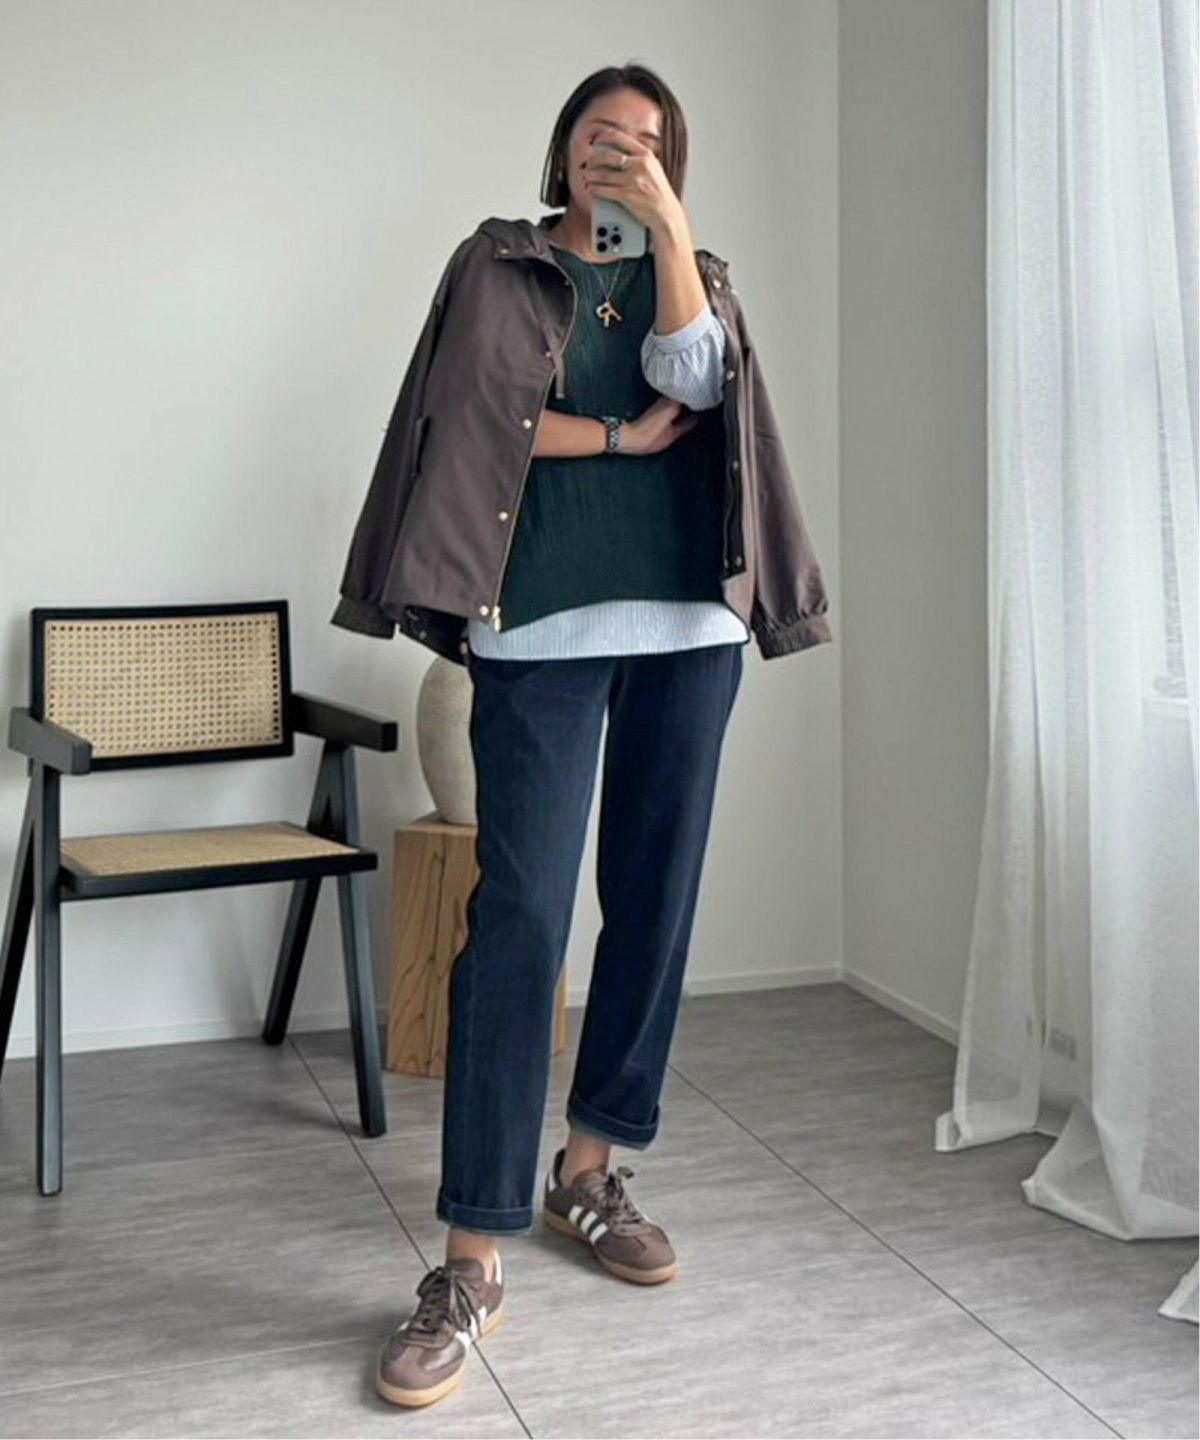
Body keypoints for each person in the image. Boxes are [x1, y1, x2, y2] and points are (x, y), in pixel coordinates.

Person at [368, 62, 790, 1409]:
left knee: (654, 903)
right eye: (603, 136)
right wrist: (613, 439)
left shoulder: (693, 274)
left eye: (649, 143)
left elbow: (697, 381)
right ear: (563, 150)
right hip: (536, 627)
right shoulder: (499, 266)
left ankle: (592, 1173)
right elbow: (473, 420)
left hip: (688, 629)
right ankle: (472, 1254)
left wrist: (669, 238)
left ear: (674, 164)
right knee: (523, 923)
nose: (622, 154)